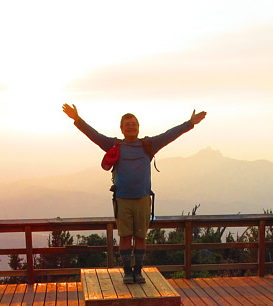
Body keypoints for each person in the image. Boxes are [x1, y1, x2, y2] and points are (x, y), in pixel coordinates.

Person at [62, 103, 207, 283]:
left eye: (134, 124)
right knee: (125, 237)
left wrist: (190, 123)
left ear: (138, 127)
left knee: (140, 237)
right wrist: (77, 119)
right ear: (121, 129)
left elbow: (170, 135)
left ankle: (137, 271)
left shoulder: (149, 145)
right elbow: (95, 136)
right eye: (127, 124)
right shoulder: (114, 145)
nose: (131, 127)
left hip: (143, 199)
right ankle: (127, 272)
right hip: (122, 199)